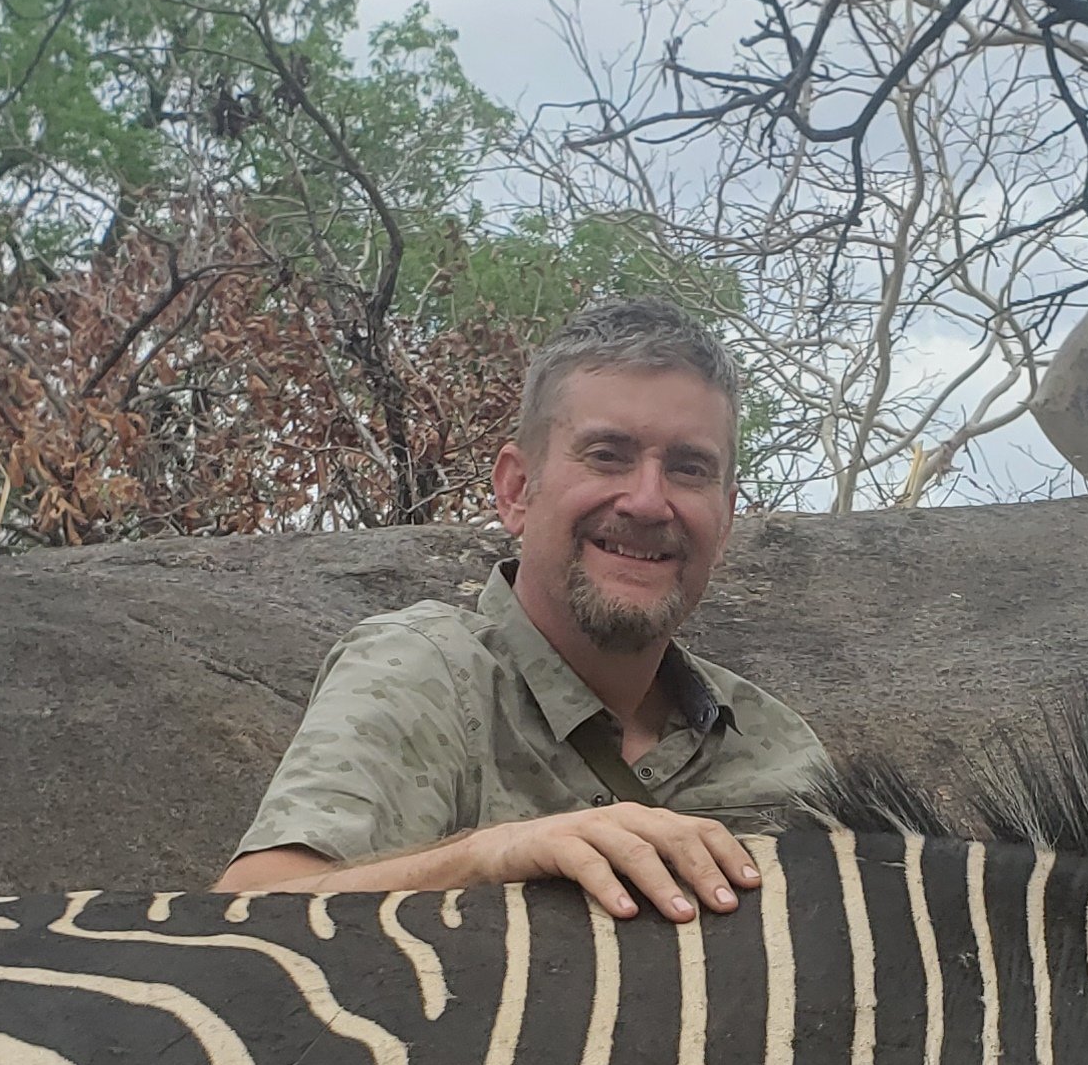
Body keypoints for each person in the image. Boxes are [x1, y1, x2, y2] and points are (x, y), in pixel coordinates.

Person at [217, 298, 831, 923]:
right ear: (516, 489)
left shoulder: (780, 752)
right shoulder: (426, 670)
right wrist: (494, 857)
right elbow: (246, 913)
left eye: (688, 468)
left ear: (725, 520)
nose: (648, 502)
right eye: (607, 455)